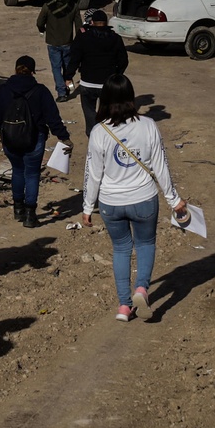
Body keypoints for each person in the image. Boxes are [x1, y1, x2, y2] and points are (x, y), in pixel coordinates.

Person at [81, 74, 187, 322]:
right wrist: (174, 200)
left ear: (104, 99)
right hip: (143, 199)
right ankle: (142, 288)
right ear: (131, 97)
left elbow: (93, 174)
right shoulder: (148, 125)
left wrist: (87, 206)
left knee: (120, 250)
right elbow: (161, 166)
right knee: (145, 244)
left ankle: (124, 307)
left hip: (110, 203)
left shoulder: (99, 131)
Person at [0, 55, 73, 228]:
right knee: (32, 174)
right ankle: (30, 216)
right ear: (32, 71)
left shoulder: (3, 90)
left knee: (18, 171)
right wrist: (64, 137)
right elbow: (53, 118)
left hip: (10, 140)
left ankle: (18, 210)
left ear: (16, 69)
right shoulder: (40, 91)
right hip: (35, 138)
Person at [63, 9, 129, 137]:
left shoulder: (83, 37)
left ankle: (93, 135)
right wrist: (117, 75)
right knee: (108, 112)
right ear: (106, 22)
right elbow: (124, 60)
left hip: (88, 82)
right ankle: (107, 135)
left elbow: (74, 58)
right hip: (108, 84)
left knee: (89, 112)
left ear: (92, 22)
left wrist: (68, 76)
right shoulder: (115, 38)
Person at [36, 0, 83, 103]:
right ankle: (68, 85)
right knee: (68, 67)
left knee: (56, 68)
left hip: (53, 43)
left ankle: (62, 92)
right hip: (68, 42)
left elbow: (40, 22)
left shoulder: (48, 6)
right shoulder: (73, 6)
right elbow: (79, 26)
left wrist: (43, 29)